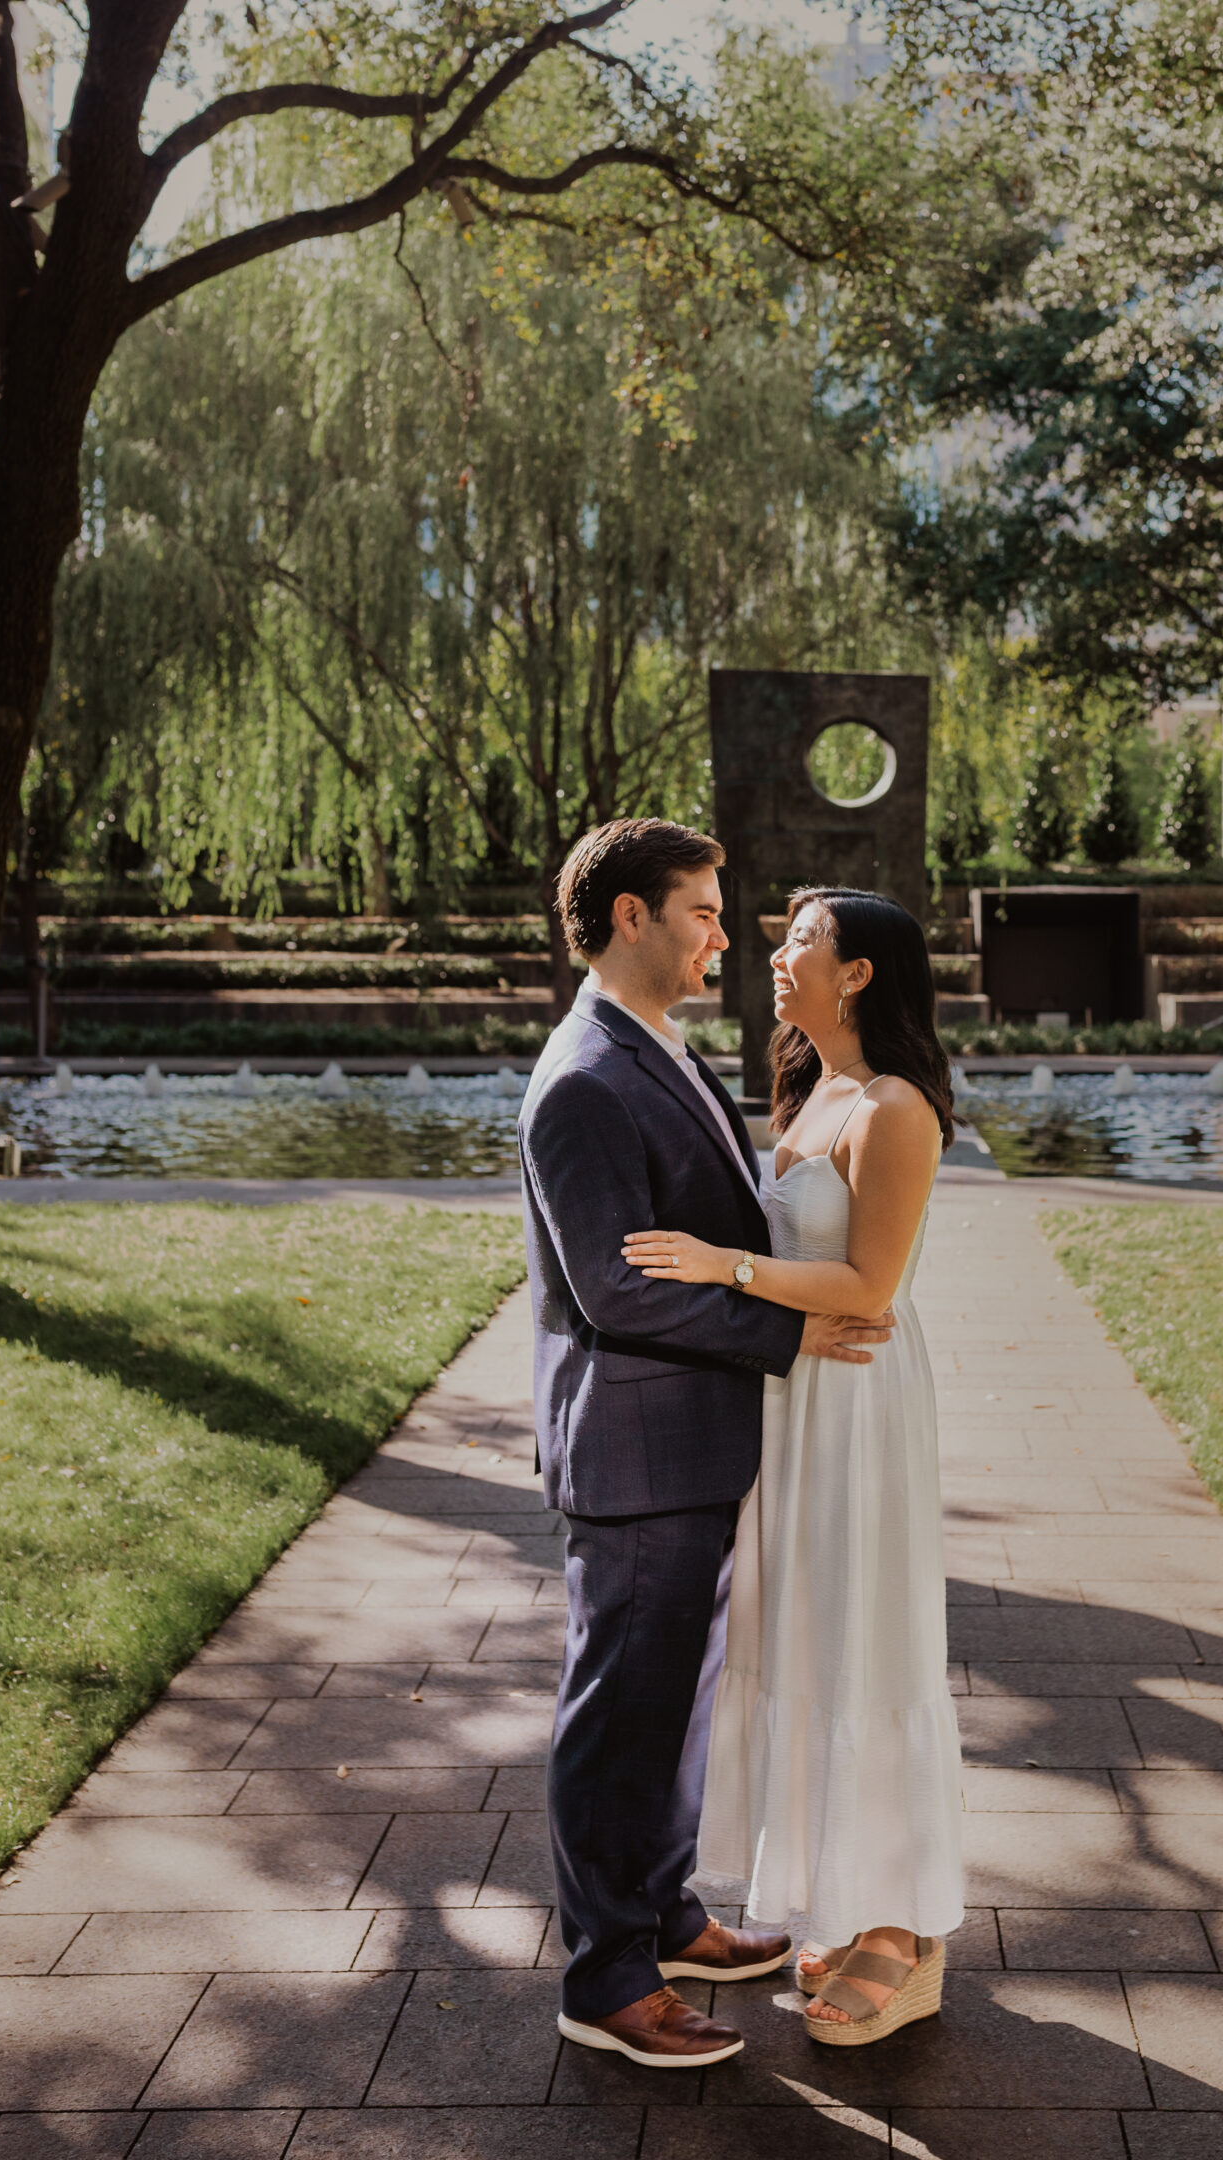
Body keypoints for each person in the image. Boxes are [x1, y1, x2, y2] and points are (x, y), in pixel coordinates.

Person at [519, 821, 896, 2073]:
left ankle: (665, 1914)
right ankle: (607, 1979)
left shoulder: (652, 1043)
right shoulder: (583, 1076)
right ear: (631, 916)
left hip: (688, 1450)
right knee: (617, 1719)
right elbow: (617, 1293)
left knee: (673, 1705)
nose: (723, 934)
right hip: (633, 1454)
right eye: (701, 910)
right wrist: (789, 1334)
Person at [624, 886, 964, 2048]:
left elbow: (870, 1287)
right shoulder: (810, 1092)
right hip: (794, 1394)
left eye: (800, 941)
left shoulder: (894, 1107)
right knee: (804, 1636)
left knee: (868, 1639)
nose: (775, 954)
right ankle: (845, 1890)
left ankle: (907, 1931)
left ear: (859, 971)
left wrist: (725, 1267)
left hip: (858, 1400)